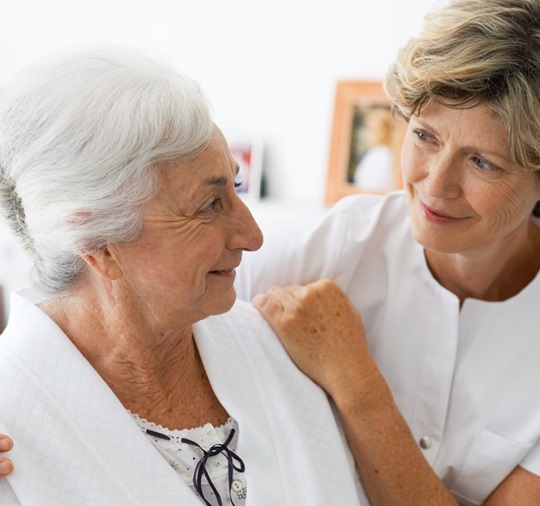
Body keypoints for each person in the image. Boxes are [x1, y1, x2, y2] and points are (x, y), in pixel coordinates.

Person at [0, 48, 366, 505]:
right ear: (98, 244)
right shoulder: (10, 425)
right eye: (208, 205)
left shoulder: (280, 351)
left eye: (234, 188)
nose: (252, 237)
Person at [237, 0, 540, 504]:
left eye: (483, 162)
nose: (435, 184)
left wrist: (353, 377)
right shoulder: (332, 247)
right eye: (424, 136)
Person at [352, 106, 395, 191]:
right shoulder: (382, 154)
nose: (365, 133)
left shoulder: (380, 155)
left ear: (383, 131)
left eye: (370, 128)